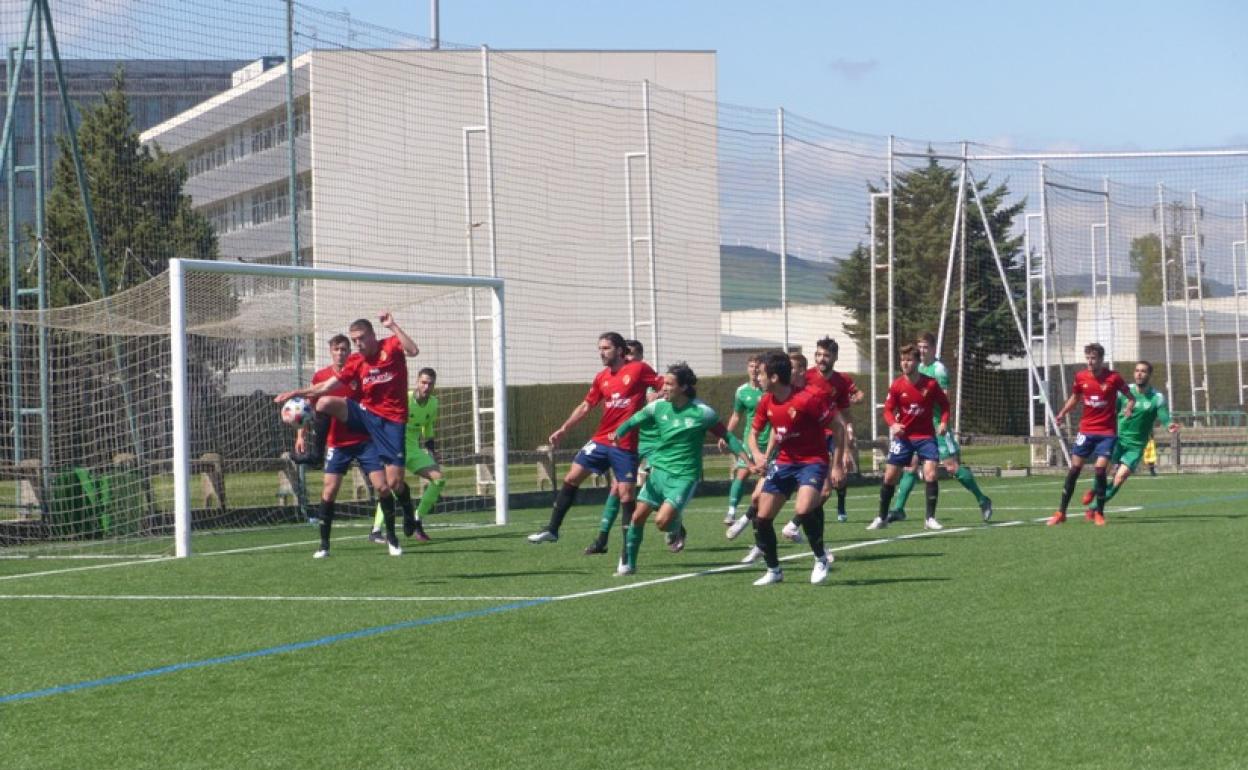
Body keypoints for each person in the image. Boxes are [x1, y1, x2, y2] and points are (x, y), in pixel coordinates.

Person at [275, 312, 420, 557]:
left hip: (391, 423)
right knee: (323, 403)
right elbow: (326, 386)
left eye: (361, 338)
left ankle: (406, 508)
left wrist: (393, 325)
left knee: (393, 484)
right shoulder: (355, 362)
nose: (358, 344)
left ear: (373, 335)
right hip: (364, 414)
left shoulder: (390, 346)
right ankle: (316, 455)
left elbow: (413, 350)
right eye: (355, 340)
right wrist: (295, 393)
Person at [609, 363, 752, 575]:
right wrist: (618, 434)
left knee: (661, 522)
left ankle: (675, 526)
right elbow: (633, 421)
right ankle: (629, 563)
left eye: (669, 384)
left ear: (683, 387)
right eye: (664, 383)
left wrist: (746, 459)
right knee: (637, 518)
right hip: (658, 471)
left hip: (684, 476)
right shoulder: (657, 407)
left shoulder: (702, 413)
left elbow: (727, 436)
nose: (663, 388)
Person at [528, 332, 663, 544]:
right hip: (601, 440)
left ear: (619, 350)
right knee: (572, 477)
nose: (601, 353)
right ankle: (552, 529)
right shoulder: (602, 377)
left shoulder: (638, 368)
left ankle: (628, 548)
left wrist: (658, 395)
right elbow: (586, 405)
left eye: (606, 348)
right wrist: (564, 428)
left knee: (626, 494)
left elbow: (664, 383)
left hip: (624, 442)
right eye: (599, 348)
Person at [747, 351, 846, 586]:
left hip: (812, 461)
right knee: (762, 517)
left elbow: (838, 428)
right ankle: (774, 571)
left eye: (760, 373)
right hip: (783, 462)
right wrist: (759, 455)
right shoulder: (765, 401)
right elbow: (753, 433)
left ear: (773, 377)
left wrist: (838, 465)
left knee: (804, 508)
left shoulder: (808, 399)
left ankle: (821, 558)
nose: (756, 378)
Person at [886, 332, 992, 523]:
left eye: (926, 347)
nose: (923, 350)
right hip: (917, 428)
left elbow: (945, 401)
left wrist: (941, 421)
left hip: (936, 427)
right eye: (920, 347)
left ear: (934, 349)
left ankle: (983, 499)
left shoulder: (938, 370)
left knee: (951, 467)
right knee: (910, 466)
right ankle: (899, 508)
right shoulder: (913, 369)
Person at [290, 335, 381, 555]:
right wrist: (301, 435)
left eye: (344, 349)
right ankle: (324, 545)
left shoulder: (359, 371)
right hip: (336, 443)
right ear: (330, 351)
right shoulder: (321, 376)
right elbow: (309, 410)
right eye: (337, 349)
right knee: (329, 491)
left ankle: (386, 536)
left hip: (363, 439)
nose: (340, 353)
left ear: (350, 351)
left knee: (383, 486)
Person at [1077, 360, 1178, 520]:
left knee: (1119, 478)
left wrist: (1169, 424)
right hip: (1117, 439)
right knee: (1102, 471)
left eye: (1143, 371)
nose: (1139, 373)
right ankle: (1094, 490)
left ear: (1149, 375)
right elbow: (1110, 409)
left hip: (1136, 447)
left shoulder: (1156, 398)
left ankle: (1094, 508)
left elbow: (1164, 415)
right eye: (1137, 370)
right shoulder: (1124, 392)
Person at [1048, 342, 1134, 526]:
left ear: (1101, 360)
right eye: (1087, 358)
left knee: (1100, 469)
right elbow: (1075, 397)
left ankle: (1099, 513)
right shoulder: (1080, 377)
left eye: (1093, 358)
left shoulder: (1113, 378)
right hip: (1086, 430)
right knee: (1074, 469)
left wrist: (1129, 406)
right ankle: (1061, 512)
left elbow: (1130, 396)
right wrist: (1063, 413)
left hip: (1107, 432)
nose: (1089, 362)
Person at [584, 340, 658, 555]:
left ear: (640, 356)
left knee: (656, 486)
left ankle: (674, 527)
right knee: (617, 488)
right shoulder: (621, 378)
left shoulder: (651, 378)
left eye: (632, 355)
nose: (628, 359)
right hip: (631, 440)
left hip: (656, 442)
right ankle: (602, 539)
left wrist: (659, 396)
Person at [869, 344, 951, 532]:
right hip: (904, 438)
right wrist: (893, 425)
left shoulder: (930, 384)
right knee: (890, 476)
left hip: (925, 437)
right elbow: (888, 410)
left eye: (909, 360)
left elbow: (945, 405)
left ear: (917, 362)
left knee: (930, 473)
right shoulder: (897, 385)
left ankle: (930, 518)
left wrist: (944, 422)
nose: (905, 363)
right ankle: (882, 517)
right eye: (903, 360)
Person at [793, 336, 863, 527]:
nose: (821, 359)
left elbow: (846, 415)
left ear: (835, 357)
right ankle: (800, 522)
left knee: (827, 489)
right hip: (808, 440)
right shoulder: (804, 378)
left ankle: (798, 523)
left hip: (832, 436)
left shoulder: (841, 382)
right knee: (817, 490)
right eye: (818, 354)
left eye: (826, 355)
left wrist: (849, 443)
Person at [368, 367, 442, 544]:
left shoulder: (434, 403)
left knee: (439, 479)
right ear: (417, 382)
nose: (426, 387)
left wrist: (431, 450)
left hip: (414, 450)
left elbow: (428, 427)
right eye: (423, 382)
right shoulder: (404, 398)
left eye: (430, 384)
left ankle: (417, 519)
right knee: (391, 486)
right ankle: (376, 530)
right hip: (395, 446)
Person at [721, 355, 768, 526]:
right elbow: (736, 415)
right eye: (751, 366)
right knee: (742, 473)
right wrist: (726, 434)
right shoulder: (741, 391)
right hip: (751, 440)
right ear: (747, 368)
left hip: (769, 441)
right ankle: (731, 512)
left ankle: (760, 512)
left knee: (766, 478)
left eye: (757, 366)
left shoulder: (769, 389)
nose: (754, 370)